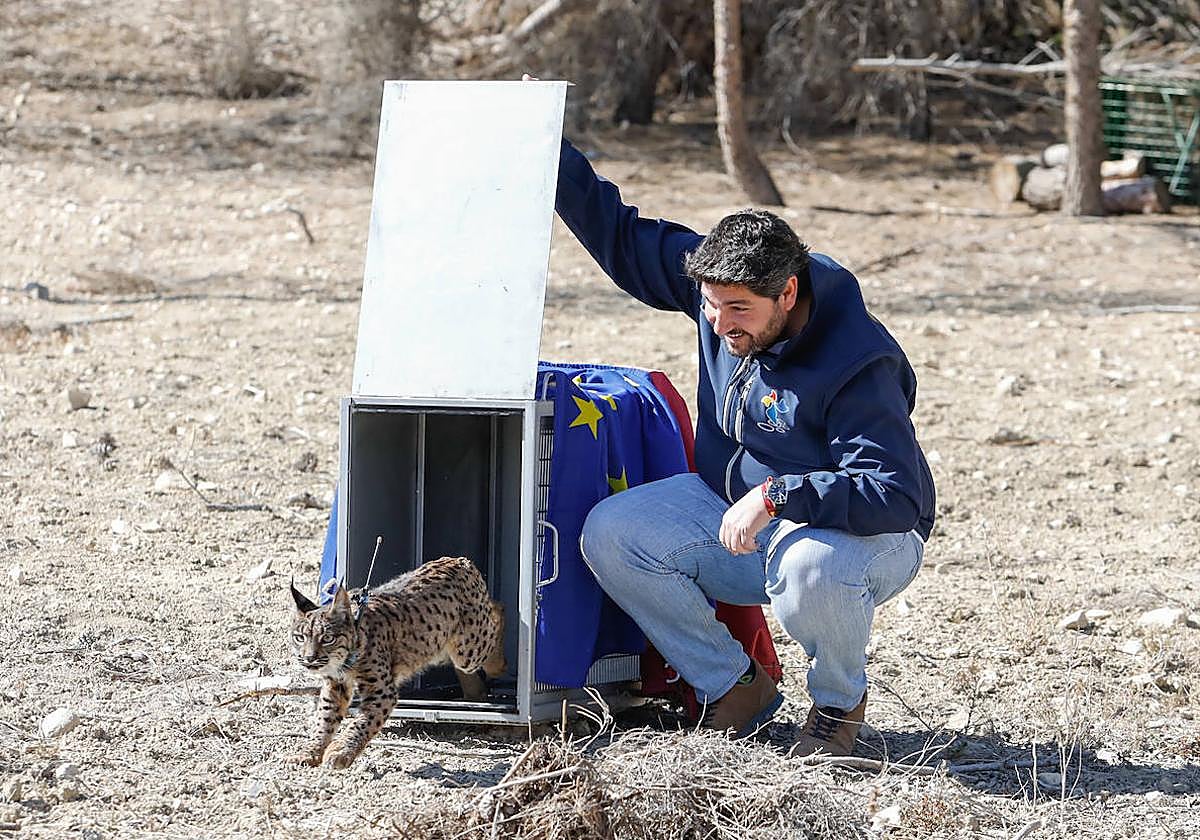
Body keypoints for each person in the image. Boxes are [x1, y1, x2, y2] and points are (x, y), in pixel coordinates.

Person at [554, 138, 936, 756]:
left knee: (813, 569)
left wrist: (777, 496)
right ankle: (734, 687)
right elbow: (619, 236)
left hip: (858, 535)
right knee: (612, 532)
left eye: (739, 309)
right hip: (740, 514)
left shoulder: (857, 362)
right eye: (710, 306)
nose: (721, 323)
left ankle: (837, 707)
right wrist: (550, 147)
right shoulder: (721, 288)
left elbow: (891, 494)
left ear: (787, 293)